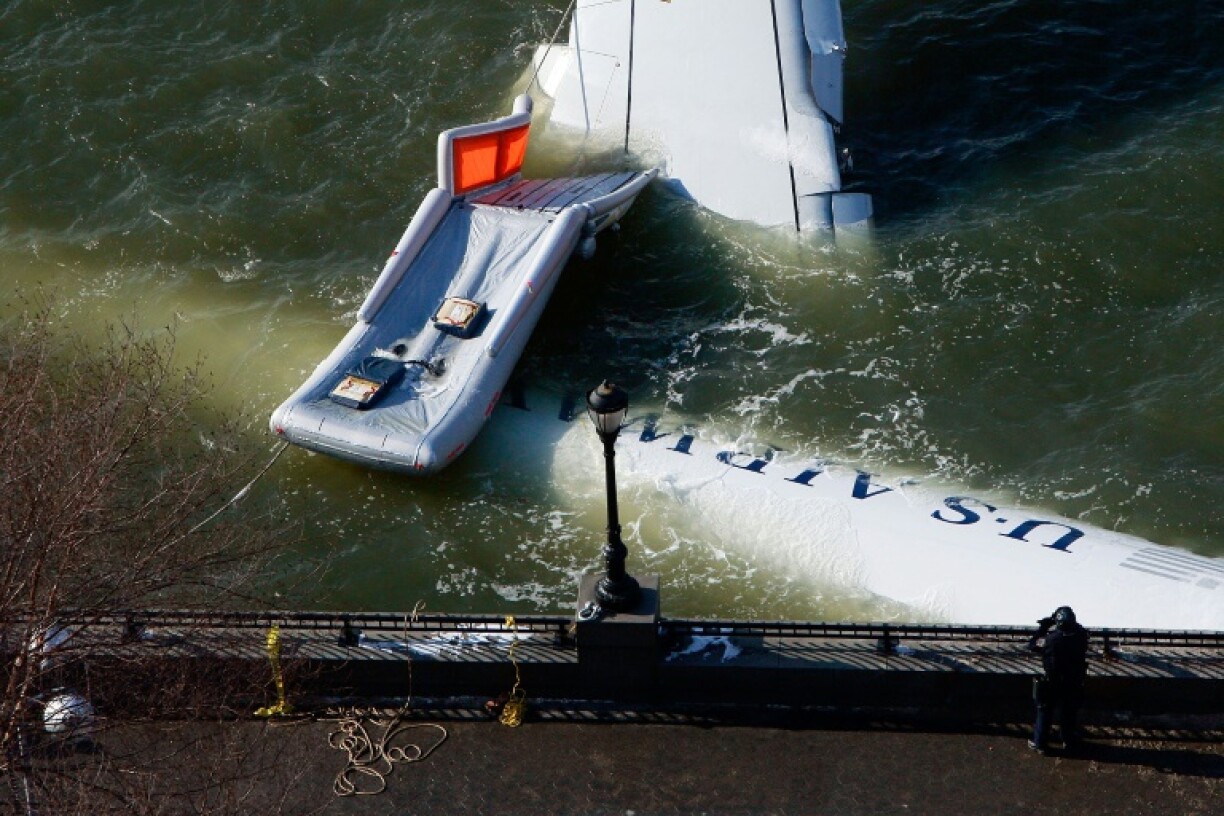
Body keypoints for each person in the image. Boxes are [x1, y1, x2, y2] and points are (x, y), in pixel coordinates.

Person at [1028, 606, 1089, 754]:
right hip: (1073, 681)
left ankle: (1040, 744)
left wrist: (1044, 626)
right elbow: (1081, 629)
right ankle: (1068, 740)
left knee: (1045, 712)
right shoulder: (1081, 636)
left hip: (1052, 681)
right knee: (1069, 712)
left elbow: (1032, 645)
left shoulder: (1051, 640)